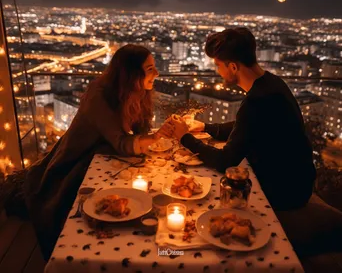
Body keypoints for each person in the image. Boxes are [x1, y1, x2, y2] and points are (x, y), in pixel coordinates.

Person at [19, 44, 172, 260]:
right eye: (149, 69)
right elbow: (120, 142)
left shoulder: (137, 92)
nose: (156, 73)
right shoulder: (99, 96)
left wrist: (152, 137)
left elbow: (140, 131)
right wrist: (155, 138)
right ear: (131, 75)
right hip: (77, 159)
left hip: (105, 152)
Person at [169, 27, 317, 212]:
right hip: (298, 181)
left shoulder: (257, 101)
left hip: (284, 192)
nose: (218, 71)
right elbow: (248, 127)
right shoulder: (272, 83)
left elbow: (225, 161)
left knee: (205, 195)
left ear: (233, 66)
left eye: (218, 65)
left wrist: (184, 138)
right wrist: (206, 127)